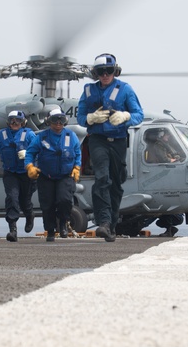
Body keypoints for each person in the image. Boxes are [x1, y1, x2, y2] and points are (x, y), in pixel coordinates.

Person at [77, 53, 144, 242]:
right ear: (95, 73)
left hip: (119, 140)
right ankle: (104, 222)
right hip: (97, 140)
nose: (105, 75)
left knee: (116, 183)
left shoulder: (125, 89)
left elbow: (139, 114)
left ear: (115, 71)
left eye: (109, 71)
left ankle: (111, 225)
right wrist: (89, 118)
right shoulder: (89, 91)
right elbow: (81, 117)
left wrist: (125, 117)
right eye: (101, 71)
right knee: (102, 179)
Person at [25, 106, 82, 242]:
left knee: (64, 200)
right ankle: (50, 230)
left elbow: (78, 153)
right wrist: (30, 166)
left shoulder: (70, 136)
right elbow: (30, 153)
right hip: (46, 176)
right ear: (49, 122)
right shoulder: (41, 137)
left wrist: (77, 167)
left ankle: (63, 222)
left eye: (61, 121)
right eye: (55, 120)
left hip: (65, 176)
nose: (58, 124)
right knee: (47, 204)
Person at [0, 110, 37, 242]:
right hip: (10, 173)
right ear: (8, 122)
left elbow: (38, 150)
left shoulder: (29, 134)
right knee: (12, 198)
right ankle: (12, 229)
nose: (14, 123)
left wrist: (28, 154)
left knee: (25, 201)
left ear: (23, 122)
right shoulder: (3, 134)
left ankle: (29, 214)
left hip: (25, 173)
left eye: (18, 120)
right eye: (12, 120)